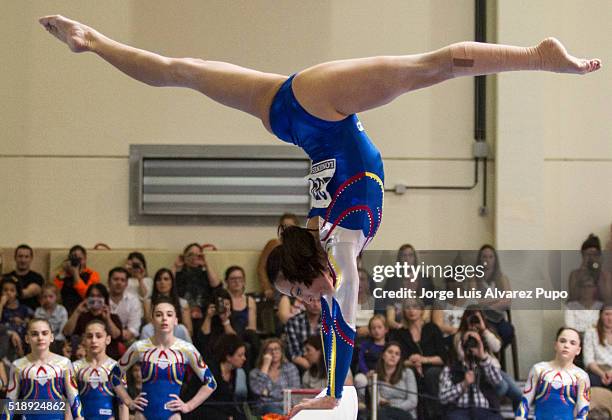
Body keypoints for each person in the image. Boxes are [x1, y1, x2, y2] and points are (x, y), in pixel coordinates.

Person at [39, 14, 601, 412]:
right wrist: (333, 382)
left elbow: (337, 314)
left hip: (320, 109)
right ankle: (91, 41)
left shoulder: (334, 243)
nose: (305, 301)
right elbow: (339, 313)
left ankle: (539, 57)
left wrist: (334, 383)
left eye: (298, 292)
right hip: (291, 115)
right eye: (299, 295)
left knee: (435, 66)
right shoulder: (333, 244)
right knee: (182, 69)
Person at [110, 296, 217, 420]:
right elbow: (114, 375)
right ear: (152, 320)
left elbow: (211, 383)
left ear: (176, 320)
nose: (164, 318)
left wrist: (188, 406)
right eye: (159, 314)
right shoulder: (139, 347)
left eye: (169, 314)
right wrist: (129, 402)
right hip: (143, 416)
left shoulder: (187, 349)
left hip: (172, 417)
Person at [3, 318, 84, 419]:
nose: (40, 338)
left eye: (44, 333)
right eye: (34, 334)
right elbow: (10, 401)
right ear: (27, 338)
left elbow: (74, 398)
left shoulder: (64, 363)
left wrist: (79, 417)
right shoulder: (18, 365)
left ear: (52, 337)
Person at [453, 307, 522, 410]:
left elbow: (497, 347)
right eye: (471, 318)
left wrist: (484, 330)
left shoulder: (486, 333)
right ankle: (488, 406)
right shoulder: (460, 336)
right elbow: (461, 357)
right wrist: (466, 338)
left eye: (477, 318)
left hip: (492, 369)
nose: (474, 322)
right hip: (474, 372)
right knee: (502, 387)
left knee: (518, 394)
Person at [516, 327, 590, 420]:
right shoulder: (539, 369)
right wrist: (520, 417)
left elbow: (583, 413)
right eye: (562, 341)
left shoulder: (581, 376)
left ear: (578, 350)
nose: (566, 345)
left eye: (572, 343)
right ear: (555, 345)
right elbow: (524, 402)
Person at [388, 299, 445, 418]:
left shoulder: (432, 328)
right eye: (408, 307)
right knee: (410, 374)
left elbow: (443, 358)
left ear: (422, 310)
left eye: (415, 307)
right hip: (410, 368)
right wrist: (412, 362)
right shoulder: (400, 333)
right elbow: (397, 359)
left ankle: (436, 415)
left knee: (431, 374)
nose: (411, 311)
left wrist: (422, 360)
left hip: (433, 368)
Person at [439, 330, 503, 420]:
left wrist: (483, 356)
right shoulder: (450, 369)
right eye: (467, 342)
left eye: (475, 342)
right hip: (460, 411)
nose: (471, 346)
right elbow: (443, 397)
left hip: (484, 410)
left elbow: (498, 381)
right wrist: (463, 384)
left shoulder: (486, 364)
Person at [73, 319, 129, 420]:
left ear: (108, 339)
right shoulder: (75, 367)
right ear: (84, 339)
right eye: (89, 336)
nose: (94, 340)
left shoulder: (116, 368)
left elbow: (123, 405)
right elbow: (69, 404)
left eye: (98, 336)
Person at [469, 245, 515, 350]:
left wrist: (487, 304)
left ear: (495, 259)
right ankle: (489, 355)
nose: (487, 260)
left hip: (498, 318)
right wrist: (497, 298)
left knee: (508, 330)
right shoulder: (473, 277)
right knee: (486, 333)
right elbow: (475, 301)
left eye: (490, 257)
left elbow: (507, 301)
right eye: (484, 257)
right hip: (482, 319)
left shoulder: (502, 278)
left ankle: (497, 356)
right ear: (480, 259)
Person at [64, 283, 124, 360]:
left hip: (109, 359)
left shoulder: (113, 317)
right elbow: (67, 332)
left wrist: (107, 319)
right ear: (87, 298)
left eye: (99, 296)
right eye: (92, 296)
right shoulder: (81, 317)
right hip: (85, 358)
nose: (95, 299)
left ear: (105, 299)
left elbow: (116, 336)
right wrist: (77, 312)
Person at [199, 334, 248, 420]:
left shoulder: (233, 371)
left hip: (222, 411)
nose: (244, 358)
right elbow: (205, 403)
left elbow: (228, 401)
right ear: (228, 357)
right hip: (202, 411)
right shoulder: (210, 371)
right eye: (240, 355)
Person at [386, 245, 435, 329]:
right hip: (398, 328)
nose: (407, 259)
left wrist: (414, 326)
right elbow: (390, 319)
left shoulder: (425, 279)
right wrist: (400, 327)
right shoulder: (392, 281)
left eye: (410, 255)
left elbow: (427, 314)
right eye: (404, 255)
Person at [248, 338, 301, 415]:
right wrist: (265, 365)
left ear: (281, 352)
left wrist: (268, 393)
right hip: (265, 408)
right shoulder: (255, 373)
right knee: (270, 407)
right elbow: (258, 391)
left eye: (277, 349)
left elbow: (294, 391)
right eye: (269, 350)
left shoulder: (290, 368)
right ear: (264, 353)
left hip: (287, 406)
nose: (273, 352)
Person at [257, 213, 300, 302]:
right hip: (277, 288)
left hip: (297, 288)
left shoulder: (301, 247)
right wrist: (266, 288)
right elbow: (261, 268)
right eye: (284, 226)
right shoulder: (273, 244)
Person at [173, 243, 221, 321]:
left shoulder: (206, 275)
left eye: (197, 255)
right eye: (190, 255)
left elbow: (217, 286)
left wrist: (206, 264)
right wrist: (175, 266)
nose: (194, 258)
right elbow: (167, 285)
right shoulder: (179, 275)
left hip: (205, 316)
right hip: (183, 316)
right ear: (184, 257)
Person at [143, 268, 193, 337]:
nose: (162, 282)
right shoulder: (148, 302)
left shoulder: (182, 303)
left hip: (176, 339)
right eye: (159, 279)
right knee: (146, 329)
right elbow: (150, 325)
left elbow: (189, 331)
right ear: (155, 283)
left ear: (172, 282)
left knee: (182, 328)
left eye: (166, 279)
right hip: (155, 337)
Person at [375, 342, 418, 420]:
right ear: (383, 355)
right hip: (384, 414)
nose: (393, 356)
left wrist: (393, 408)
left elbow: (413, 401)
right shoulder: (375, 376)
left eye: (397, 354)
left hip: (405, 413)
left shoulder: (408, 373)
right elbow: (376, 401)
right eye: (390, 352)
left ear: (399, 358)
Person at [53, 244, 101, 315]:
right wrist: (63, 272)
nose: (77, 262)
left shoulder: (93, 274)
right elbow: (54, 295)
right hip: (66, 312)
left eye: (79, 259)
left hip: (86, 311)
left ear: (85, 259)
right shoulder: (63, 274)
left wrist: (75, 274)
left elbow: (88, 296)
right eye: (74, 259)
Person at [568, 234, 612, 304]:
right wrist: (583, 272)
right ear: (583, 256)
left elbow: (608, 299)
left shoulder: (606, 275)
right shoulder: (575, 274)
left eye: (594, 255)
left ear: (599, 256)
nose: (591, 258)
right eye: (588, 255)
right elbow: (573, 299)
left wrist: (598, 272)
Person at [107, 267, 143, 344]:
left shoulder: (133, 301)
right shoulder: (101, 298)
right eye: (116, 279)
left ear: (126, 284)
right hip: (101, 339)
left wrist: (115, 333)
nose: (119, 283)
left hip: (124, 340)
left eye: (122, 280)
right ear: (108, 282)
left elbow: (132, 331)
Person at [3, 244, 44, 310]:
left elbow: (26, 293)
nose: (23, 260)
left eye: (26, 257)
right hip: (8, 315)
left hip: (31, 315)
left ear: (31, 259)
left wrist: (8, 293)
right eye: (20, 256)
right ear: (15, 258)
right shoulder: (6, 277)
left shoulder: (37, 277)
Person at [284, 299, 321, 371]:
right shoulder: (293, 322)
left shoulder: (330, 321)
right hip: (303, 365)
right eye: (311, 300)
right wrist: (313, 370)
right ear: (304, 302)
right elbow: (294, 354)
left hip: (326, 364)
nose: (315, 305)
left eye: (319, 301)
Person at [583, 305, 612, 390]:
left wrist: (610, 373)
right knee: (590, 381)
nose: (610, 318)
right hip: (597, 370)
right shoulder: (591, 332)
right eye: (607, 314)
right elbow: (589, 360)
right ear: (601, 315)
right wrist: (602, 374)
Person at [33, 284, 68, 353]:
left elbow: (62, 331)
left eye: (51, 296)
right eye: (45, 297)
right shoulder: (38, 311)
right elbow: (37, 328)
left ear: (56, 297)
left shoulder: (62, 310)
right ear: (41, 299)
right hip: (43, 339)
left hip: (58, 340)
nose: (48, 299)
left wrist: (52, 340)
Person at [0, 278, 34, 349]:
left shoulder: (24, 308)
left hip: (22, 341)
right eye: (5, 290)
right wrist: (1, 304)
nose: (8, 293)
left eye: (12, 290)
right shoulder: (1, 308)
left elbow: (30, 323)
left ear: (17, 293)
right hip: (6, 340)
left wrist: (22, 321)